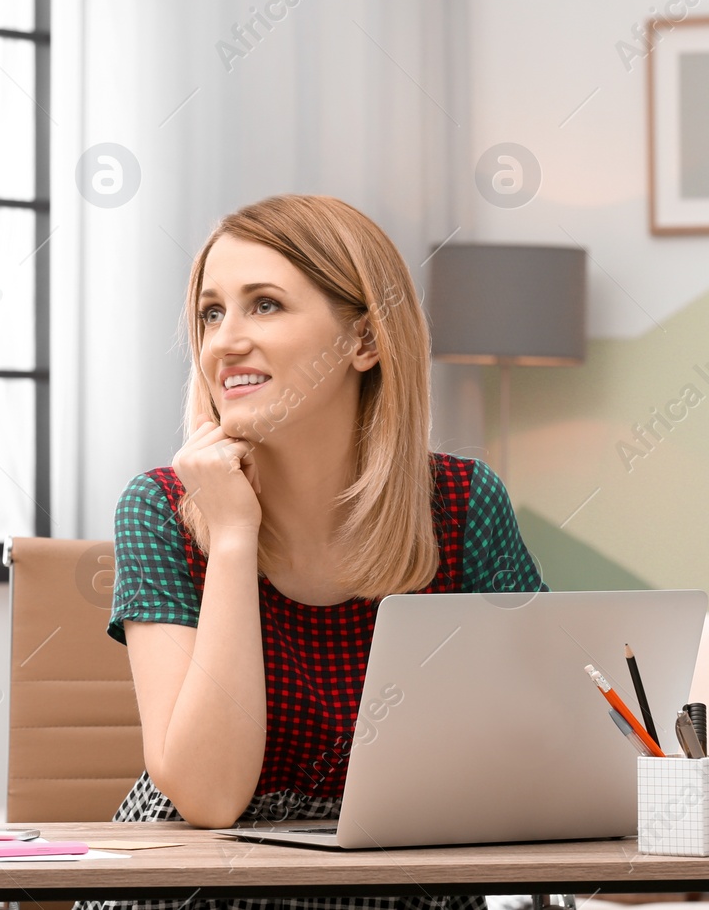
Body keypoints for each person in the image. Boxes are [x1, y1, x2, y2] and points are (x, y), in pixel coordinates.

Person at [75, 194, 548, 910]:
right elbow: (207, 797)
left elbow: (544, 740)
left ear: (364, 340)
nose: (224, 341)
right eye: (211, 312)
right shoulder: (160, 507)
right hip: (200, 883)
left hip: (396, 881)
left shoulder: (461, 502)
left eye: (263, 305)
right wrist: (232, 539)